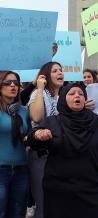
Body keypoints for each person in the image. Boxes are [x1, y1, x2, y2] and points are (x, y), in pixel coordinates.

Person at [26, 83, 98, 218]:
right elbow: (32, 141)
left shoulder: (97, 121)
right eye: (72, 93)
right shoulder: (53, 122)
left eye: (81, 94)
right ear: (63, 98)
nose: (77, 96)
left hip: (92, 188)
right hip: (59, 190)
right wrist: (38, 135)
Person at [27, 61, 64, 218]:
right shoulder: (38, 94)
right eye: (55, 71)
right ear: (45, 76)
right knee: (43, 201)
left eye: (61, 70)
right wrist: (40, 88)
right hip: (41, 154)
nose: (60, 73)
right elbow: (36, 117)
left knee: (58, 201)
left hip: (60, 153)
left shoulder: (64, 96)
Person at [0, 71, 30, 217]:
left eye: (16, 83)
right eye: (7, 83)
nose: (13, 85)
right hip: (0, 169)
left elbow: (30, 135)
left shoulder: (24, 111)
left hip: (21, 170)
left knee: (17, 212)